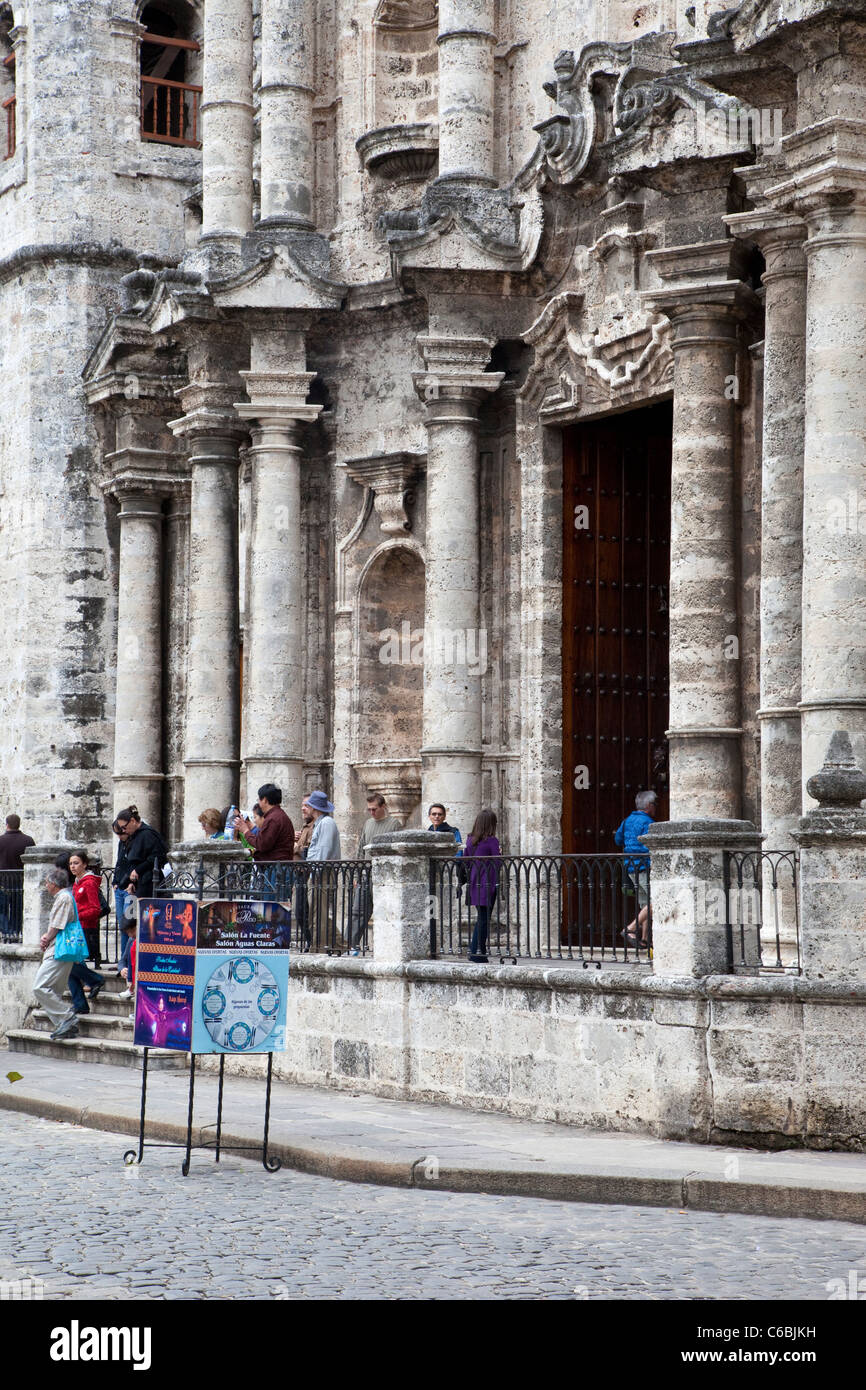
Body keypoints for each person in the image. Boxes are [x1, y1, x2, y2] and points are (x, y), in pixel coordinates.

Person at [31, 868, 80, 1041]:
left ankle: (67, 1017)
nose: (45, 885)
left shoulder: (64, 898)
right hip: (61, 949)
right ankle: (65, 1025)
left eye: (47, 882)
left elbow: (58, 924)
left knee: (40, 987)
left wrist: (46, 937)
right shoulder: (64, 897)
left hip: (59, 949)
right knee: (54, 990)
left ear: (53, 883)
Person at [349, 793, 401, 955]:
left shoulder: (394, 824)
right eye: (369, 809)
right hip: (366, 874)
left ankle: (387, 946)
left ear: (383, 807)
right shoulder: (368, 824)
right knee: (358, 910)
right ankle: (351, 945)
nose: (371, 812)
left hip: (385, 876)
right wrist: (357, 875)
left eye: (374, 809)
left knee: (385, 912)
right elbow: (361, 849)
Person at [614, 790, 656, 947]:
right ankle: (630, 929)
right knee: (656, 901)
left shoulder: (626, 821)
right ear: (649, 806)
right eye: (655, 805)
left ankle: (645, 940)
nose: (656, 808)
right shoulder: (648, 823)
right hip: (645, 866)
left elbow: (618, 839)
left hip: (630, 868)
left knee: (646, 904)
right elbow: (650, 844)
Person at [66, 850, 106, 1013]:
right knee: (68, 965)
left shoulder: (88, 883)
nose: (72, 866)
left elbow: (95, 909)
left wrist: (76, 915)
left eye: (76, 863)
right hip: (76, 929)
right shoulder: (77, 882)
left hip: (85, 929)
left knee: (68, 964)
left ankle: (95, 980)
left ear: (84, 864)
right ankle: (80, 1004)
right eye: (70, 864)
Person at [462, 809, 501, 963]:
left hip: (474, 883)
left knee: (481, 918)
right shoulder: (492, 841)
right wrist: (499, 853)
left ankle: (477, 951)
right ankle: (477, 953)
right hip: (487, 884)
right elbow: (497, 863)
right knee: (484, 919)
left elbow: (466, 859)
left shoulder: (470, 840)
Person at [305, 791, 341, 945]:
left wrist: (316, 873)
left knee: (318, 912)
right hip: (318, 872)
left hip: (322, 873)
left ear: (314, 807)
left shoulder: (326, 823)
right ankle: (336, 943)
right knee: (316, 911)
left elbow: (324, 850)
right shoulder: (322, 823)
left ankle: (320, 946)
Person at [113, 805, 168, 900]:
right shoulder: (135, 835)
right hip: (140, 882)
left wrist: (138, 870)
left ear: (133, 821)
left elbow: (157, 856)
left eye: (124, 827)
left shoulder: (147, 834)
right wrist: (132, 883)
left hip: (150, 882)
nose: (123, 831)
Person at [0, 813, 34, 940]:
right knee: (17, 909)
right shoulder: (28, 840)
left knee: (2, 910)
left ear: (7, 824)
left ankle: (6, 931)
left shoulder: (0, 840)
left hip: (2, 882)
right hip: (20, 881)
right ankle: (14, 932)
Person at [294, 801, 314, 951]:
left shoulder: (315, 826)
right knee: (300, 911)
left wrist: (296, 847)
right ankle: (310, 941)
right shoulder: (306, 826)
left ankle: (311, 942)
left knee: (305, 912)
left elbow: (310, 849)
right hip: (300, 874)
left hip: (308, 874)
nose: (302, 808)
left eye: (306, 805)